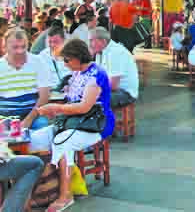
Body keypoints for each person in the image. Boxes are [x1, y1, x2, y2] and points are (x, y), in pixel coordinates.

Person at [32, 39, 114, 212]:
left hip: (96, 124)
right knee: (36, 138)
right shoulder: (78, 73)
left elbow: (84, 107)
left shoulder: (96, 75)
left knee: (62, 141)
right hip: (76, 122)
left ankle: (65, 194)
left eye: (67, 60)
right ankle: (47, 188)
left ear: (78, 57)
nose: (65, 64)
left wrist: (56, 108)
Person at [0, 29, 52, 130]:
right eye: (15, 47)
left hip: (33, 114)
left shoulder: (38, 62)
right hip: (3, 117)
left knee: (43, 127)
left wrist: (28, 120)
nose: (20, 51)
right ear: (5, 48)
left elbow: (44, 97)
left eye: (23, 47)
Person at [89, 27, 139, 108]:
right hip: (114, 90)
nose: (90, 44)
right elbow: (97, 76)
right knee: (84, 96)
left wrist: (90, 89)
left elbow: (113, 85)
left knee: (91, 100)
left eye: (91, 40)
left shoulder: (115, 52)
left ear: (103, 41)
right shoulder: (100, 52)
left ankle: (101, 120)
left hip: (125, 93)